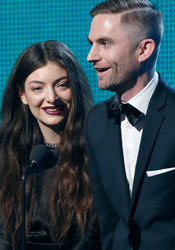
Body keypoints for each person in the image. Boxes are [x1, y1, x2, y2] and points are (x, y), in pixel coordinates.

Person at [84, 0, 175, 250]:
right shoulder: (95, 122)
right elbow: (108, 220)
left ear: (144, 50)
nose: (91, 56)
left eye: (104, 43)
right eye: (91, 43)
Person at [0, 40, 101, 250]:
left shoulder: (100, 148)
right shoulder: (5, 151)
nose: (51, 98)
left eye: (62, 85)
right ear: (22, 95)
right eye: (37, 88)